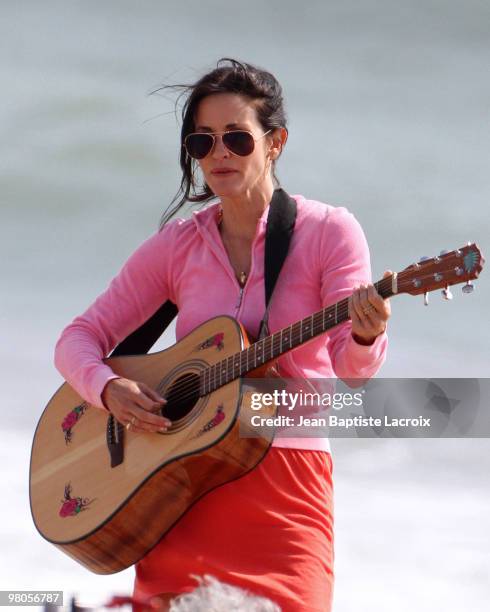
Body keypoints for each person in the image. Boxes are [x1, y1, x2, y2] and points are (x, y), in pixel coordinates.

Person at [54, 58, 391, 612]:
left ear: (275, 142)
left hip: (286, 483)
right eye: (203, 141)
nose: (220, 155)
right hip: (182, 485)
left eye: (237, 138)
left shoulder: (330, 232)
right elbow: (78, 338)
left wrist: (363, 335)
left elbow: (353, 373)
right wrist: (108, 390)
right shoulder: (178, 246)